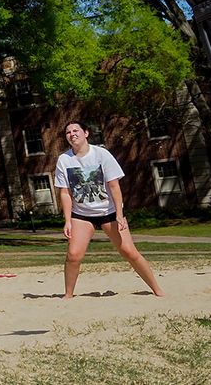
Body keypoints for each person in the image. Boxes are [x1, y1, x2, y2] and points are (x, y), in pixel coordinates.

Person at [55, 121, 164, 299]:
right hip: (82, 214)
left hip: (109, 212)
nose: (72, 134)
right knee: (74, 255)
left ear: (86, 133)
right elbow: (65, 193)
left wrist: (119, 215)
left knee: (129, 251)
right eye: (68, 132)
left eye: (76, 130)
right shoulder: (64, 160)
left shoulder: (101, 154)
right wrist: (67, 220)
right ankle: (68, 295)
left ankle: (157, 290)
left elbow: (114, 186)